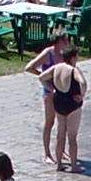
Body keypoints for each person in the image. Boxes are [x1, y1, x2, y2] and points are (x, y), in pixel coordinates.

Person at [39, 47, 86, 172]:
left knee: (60, 134)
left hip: (59, 102)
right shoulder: (74, 70)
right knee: (72, 137)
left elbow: (41, 78)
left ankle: (59, 164)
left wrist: (51, 89)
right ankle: (74, 165)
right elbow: (83, 82)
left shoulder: (56, 67)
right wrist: (81, 95)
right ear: (72, 58)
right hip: (72, 104)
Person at [26, 35, 71, 165]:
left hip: (63, 92)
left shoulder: (65, 54)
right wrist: (44, 77)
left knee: (63, 122)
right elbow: (29, 67)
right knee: (49, 122)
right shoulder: (48, 53)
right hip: (50, 92)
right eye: (64, 41)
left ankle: (61, 150)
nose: (67, 43)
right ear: (57, 42)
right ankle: (47, 154)